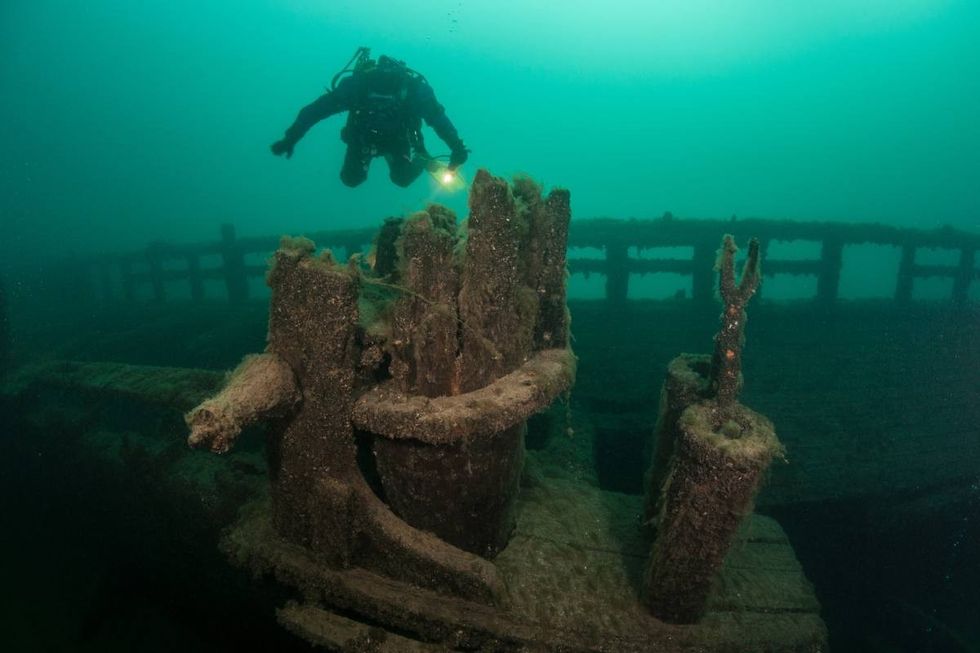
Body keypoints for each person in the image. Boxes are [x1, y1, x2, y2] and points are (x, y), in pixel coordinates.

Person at [271, 48, 469, 188]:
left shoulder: (411, 90)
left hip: (397, 139)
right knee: (351, 179)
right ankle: (421, 160)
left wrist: (457, 147)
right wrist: (292, 137)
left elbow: (315, 111)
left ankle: (422, 160)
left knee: (402, 179)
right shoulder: (358, 88)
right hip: (362, 138)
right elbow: (316, 110)